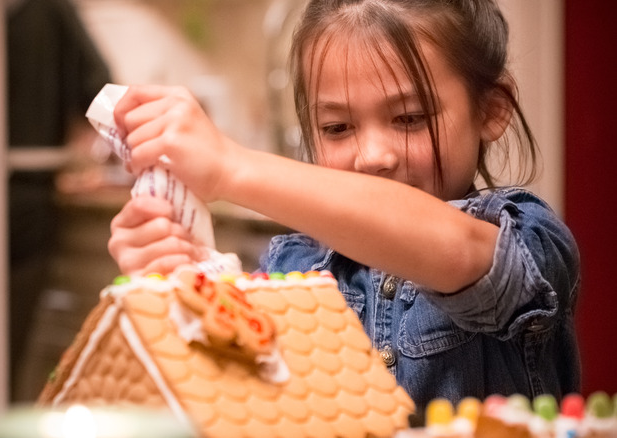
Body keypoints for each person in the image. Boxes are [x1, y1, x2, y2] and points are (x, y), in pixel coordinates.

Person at [106, 0, 580, 422]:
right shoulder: (292, 268)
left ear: (491, 110)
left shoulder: (530, 240)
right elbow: (235, 401)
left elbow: (457, 252)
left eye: (410, 117)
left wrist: (231, 167)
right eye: (337, 127)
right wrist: (178, 283)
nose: (372, 154)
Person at [6, 0, 111, 402]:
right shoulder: (50, 9)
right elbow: (99, 87)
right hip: (32, 194)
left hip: (25, 192)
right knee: (7, 346)